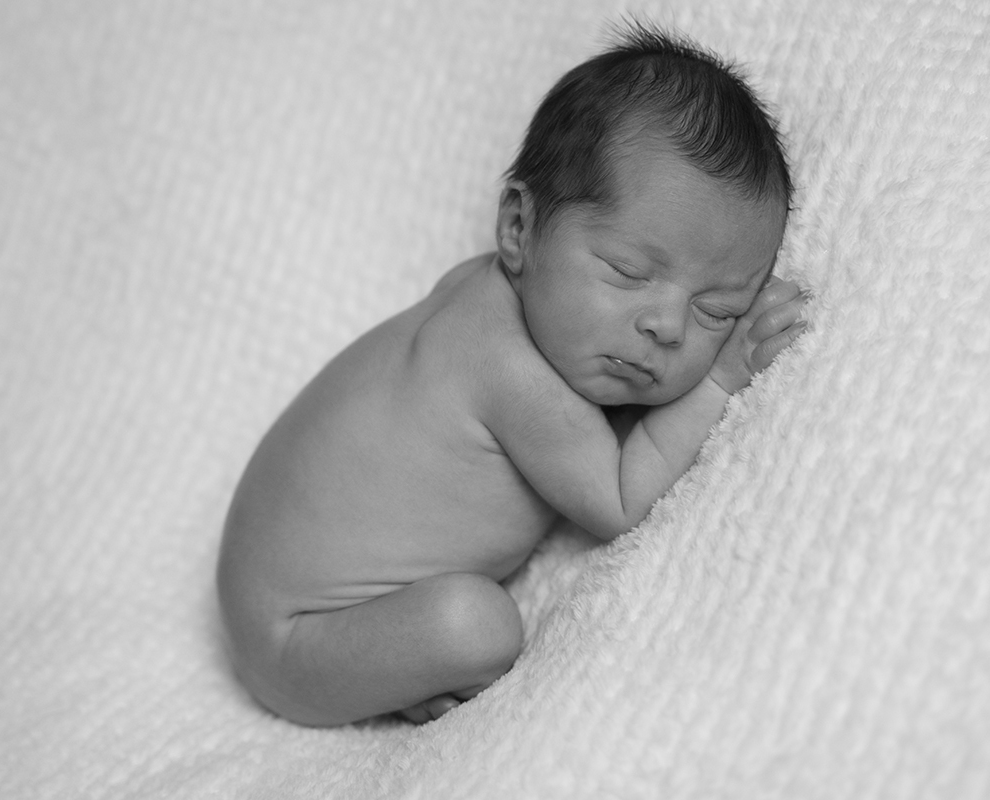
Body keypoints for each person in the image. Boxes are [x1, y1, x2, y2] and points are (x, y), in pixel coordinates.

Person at [217, 22, 807, 726]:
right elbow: (620, 499)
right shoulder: (509, 368)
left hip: (264, 587)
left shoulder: (496, 298)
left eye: (717, 311)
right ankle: (383, 678)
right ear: (520, 230)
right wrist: (721, 379)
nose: (668, 326)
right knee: (480, 627)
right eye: (628, 272)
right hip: (293, 640)